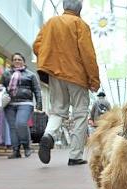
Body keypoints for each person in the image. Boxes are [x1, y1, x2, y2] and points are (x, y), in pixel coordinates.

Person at [33, 0, 100, 166]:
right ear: (80, 8)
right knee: (80, 114)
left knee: (57, 111)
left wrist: (51, 56)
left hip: (55, 73)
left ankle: (48, 135)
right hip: (77, 75)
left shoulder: (51, 23)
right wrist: (94, 80)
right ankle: (75, 155)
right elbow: (88, 54)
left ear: (64, 6)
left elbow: (36, 46)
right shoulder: (80, 24)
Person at [0, 53, 42, 159]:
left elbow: (37, 90)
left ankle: (26, 146)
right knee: (13, 127)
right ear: (12, 62)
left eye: (19, 59)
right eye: (15, 59)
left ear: (23, 61)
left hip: (25, 103)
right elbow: (1, 87)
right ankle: (16, 150)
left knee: (21, 123)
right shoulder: (6, 74)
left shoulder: (30, 75)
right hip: (9, 103)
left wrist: (39, 103)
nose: (17, 61)